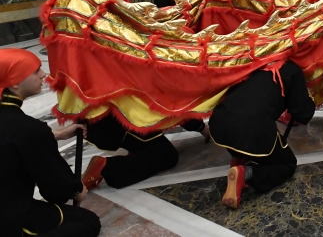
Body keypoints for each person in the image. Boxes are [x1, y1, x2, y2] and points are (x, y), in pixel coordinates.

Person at [0, 48, 102, 237]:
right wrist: (76, 190)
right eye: (35, 70)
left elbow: (10, 137)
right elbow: (56, 190)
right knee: (87, 221)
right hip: (9, 216)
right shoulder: (27, 129)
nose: (43, 74)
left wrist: (54, 135)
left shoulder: (15, 123)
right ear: (14, 83)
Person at [209, 61, 316, 208]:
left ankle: (238, 158)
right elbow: (303, 114)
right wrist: (310, 96)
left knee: (248, 134)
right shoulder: (292, 69)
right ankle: (245, 173)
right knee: (287, 164)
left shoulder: (256, 59)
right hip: (252, 128)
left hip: (219, 122)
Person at [81, 115, 207, 190]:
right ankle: (106, 167)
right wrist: (200, 127)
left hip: (100, 120)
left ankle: (138, 146)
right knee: (166, 155)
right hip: (116, 122)